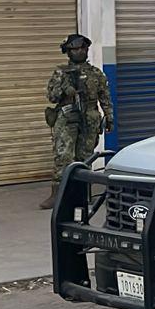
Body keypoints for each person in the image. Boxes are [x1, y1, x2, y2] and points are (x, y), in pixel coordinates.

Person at [41, 34, 113, 208]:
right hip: (67, 117)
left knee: (85, 158)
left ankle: (82, 195)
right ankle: (58, 196)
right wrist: (65, 90)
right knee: (63, 156)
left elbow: (105, 97)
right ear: (68, 52)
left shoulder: (96, 74)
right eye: (75, 49)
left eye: (82, 48)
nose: (80, 52)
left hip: (89, 118)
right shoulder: (61, 73)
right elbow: (51, 96)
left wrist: (109, 116)